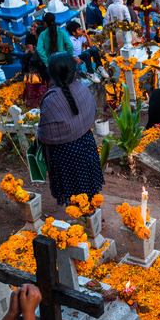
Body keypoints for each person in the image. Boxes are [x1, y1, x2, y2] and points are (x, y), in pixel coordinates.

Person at [37, 52, 105, 205]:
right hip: (86, 144)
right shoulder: (82, 86)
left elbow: (45, 134)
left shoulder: (51, 99)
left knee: (75, 192)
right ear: (74, 71)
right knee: (89, 185)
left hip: (66, 153)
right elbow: (92, 111)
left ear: (52, 74)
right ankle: (94, 218)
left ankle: (86, 220)